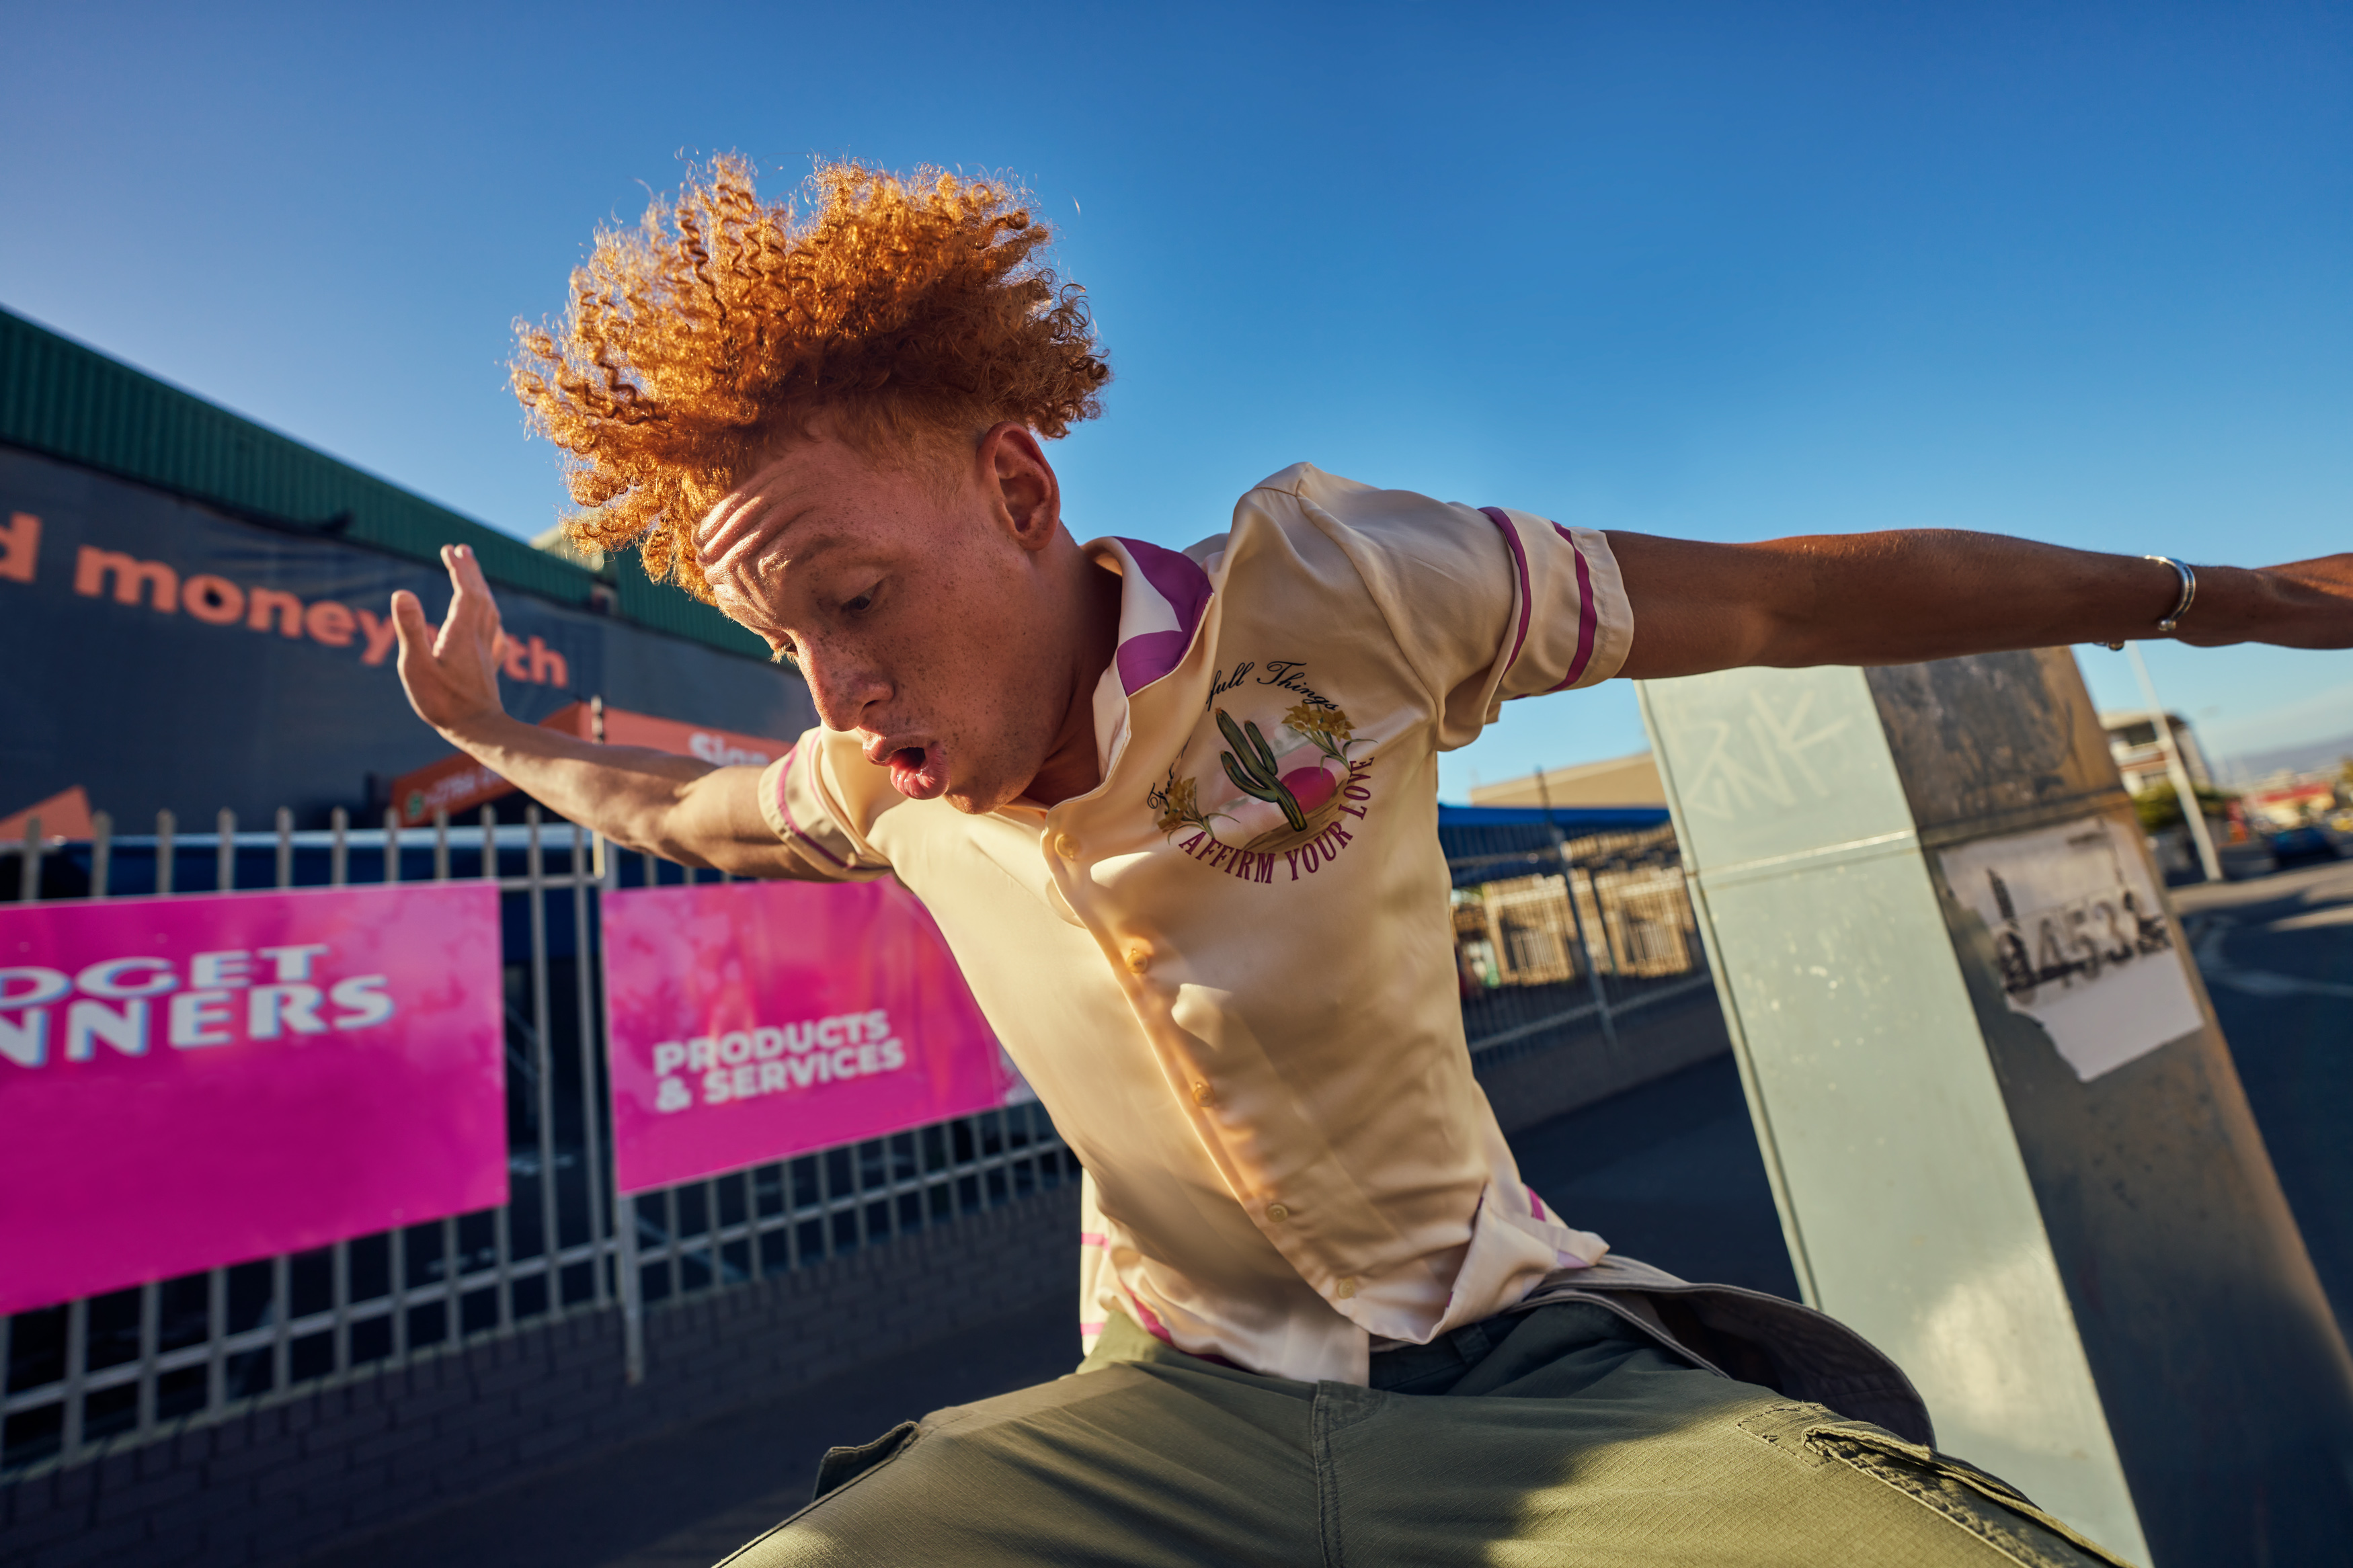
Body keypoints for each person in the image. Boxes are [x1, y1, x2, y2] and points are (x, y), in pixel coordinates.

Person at [390, 159, 2352, 1567]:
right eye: (779, 641)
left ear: (1016, 486)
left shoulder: (1342, 593)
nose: (835, 685)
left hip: (1516, 1354)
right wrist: (490, 734)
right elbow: (671, 810)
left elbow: (1781, 605)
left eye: (854, 597)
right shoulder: (871, 781)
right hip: (1167, 1407)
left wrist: (2223, 598)